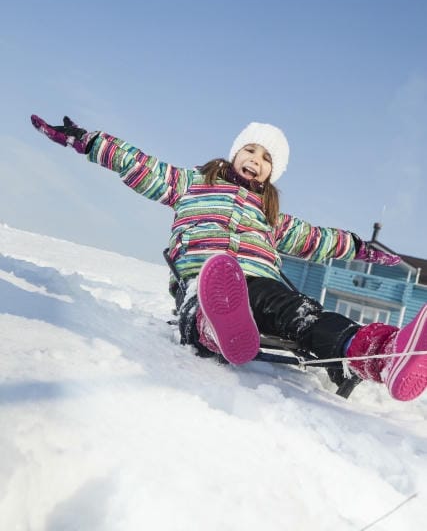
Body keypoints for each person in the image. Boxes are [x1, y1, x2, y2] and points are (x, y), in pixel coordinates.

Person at [30, 114, 427, 402]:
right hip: (203, 278)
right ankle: (212, 327)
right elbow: (140, 163)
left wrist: (361, 248)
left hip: (258, 283)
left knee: (300, 312)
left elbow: (318, 239)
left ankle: (380, 355)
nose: (255, 159)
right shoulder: (191, 184)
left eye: (266, 157)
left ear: (274, 172)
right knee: (206, 296)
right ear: (236, 151)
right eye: (250, 149)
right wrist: (88, 140)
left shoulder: (272, 218)